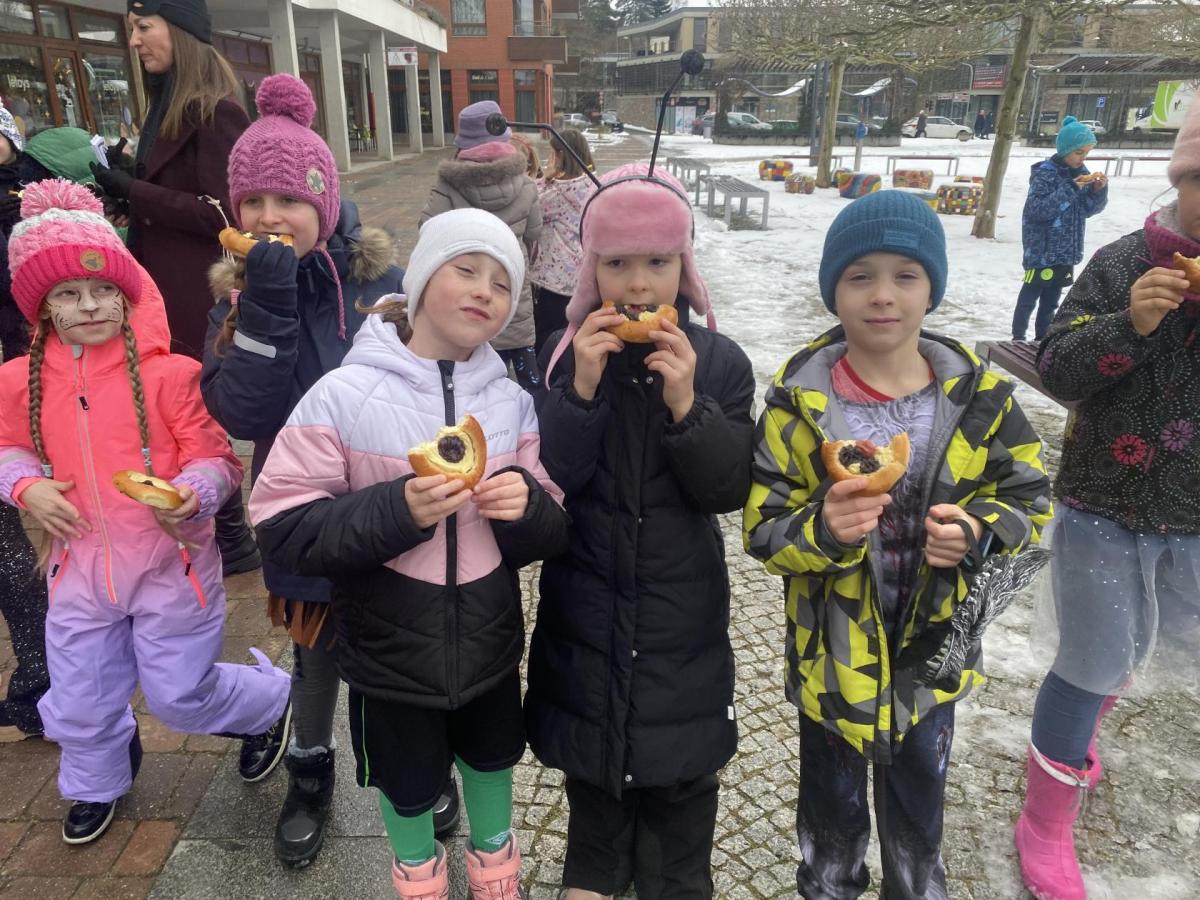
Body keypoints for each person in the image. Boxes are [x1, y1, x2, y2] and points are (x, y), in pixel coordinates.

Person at [249, 208, 570, 898]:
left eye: (502, 284)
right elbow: (280, 523)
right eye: (466, 270)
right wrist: (396, 511)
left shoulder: (511, 403)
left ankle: (496, 872)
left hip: (487, 643)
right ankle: (418, 878)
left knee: (491, 760)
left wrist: (528, 507)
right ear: (421, 280)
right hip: (386, 650)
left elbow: (551, 525)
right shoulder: (343, 394)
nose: (485, 290)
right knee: (405, 780)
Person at [743, 190, 1052, 899]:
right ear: (833, 292)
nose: (883, 295)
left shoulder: (982, 402)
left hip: (933, 657)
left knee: (918, 821)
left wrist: (977, 531)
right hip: (833, 661)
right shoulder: (798, 408)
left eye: (906, 276)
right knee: (831, 821)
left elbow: (1031, 501)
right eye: (860, 276)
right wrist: (824, 531)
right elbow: (763, 529)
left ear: (931, 289)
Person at [197, 73, 460, 868]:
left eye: (289, 199)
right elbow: (243, 410)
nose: (269, 217)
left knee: (401, 648)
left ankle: (423, 766)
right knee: (317, 655)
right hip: (301, 511)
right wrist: (268, 305)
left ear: (324, 199)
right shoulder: (235, 301)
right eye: (253, 202)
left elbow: (434, 376)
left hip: (387, 504)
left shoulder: (382, 286)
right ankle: (309, 775)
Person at [0, 179, 291, 844]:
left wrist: (194, 492)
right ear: (39, 306)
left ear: (127, 293)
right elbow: (7, 446)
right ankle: (96, 779)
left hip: (170, 567)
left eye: (103, 288)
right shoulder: (20, 381)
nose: (90, 305)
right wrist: (24, 486)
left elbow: (217, 457)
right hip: (77, 571)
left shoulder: (171, 376)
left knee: (179, 695)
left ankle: (266, 706)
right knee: (80, 696)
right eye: (67, 294)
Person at [526, 163, 756, 899]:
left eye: (657, 262)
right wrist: (581, 389)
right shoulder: (563, 355)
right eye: (617, 264)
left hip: (678, 620)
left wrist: (687, 402)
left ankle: (675, 877)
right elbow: (556, 476)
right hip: (586, 612)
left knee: (681, 786)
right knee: (593, 778)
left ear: (684, 266)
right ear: (591, 271)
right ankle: (594, 872)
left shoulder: (719, 362)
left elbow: (726, 489)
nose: (636, 284)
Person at [1015, 96, 1200, 900]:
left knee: (1134, 653)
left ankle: (1079, 740)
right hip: (1104, 507)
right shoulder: (1126, 262)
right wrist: (1130, 325)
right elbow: (1054, 365)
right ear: (1181, 177)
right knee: (1088, 664)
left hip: (1194, 520)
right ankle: (1045, 818)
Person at [90, 0, 259, 575]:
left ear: (181, 31)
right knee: (173, 408)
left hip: (191, 292)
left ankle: (233, 539)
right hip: (156, 287)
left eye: (144, 26)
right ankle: (220, 531)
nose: (135, 40)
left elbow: (224, 215)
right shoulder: (164, 107)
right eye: (131, 29)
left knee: (194, 407)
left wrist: (135, 191)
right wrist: (127, 193)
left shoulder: (217, 112)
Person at [421, 100, 544, 398]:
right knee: (531, 384)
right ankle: (536, 422)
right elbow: (534, 234)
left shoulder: (448, 185)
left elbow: (428, 232)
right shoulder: (526, 184)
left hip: (468, 299)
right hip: (512, 294)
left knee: (474, 386)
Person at [1011, 116, 1108, 341]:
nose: (1082, 158)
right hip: (1042, 252)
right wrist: (1071, 188)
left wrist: (1098, 191)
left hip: (1065, 252)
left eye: (1086, 153)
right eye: (1078, 152)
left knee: (1051, 302)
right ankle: (1017, 337)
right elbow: (1038, 210)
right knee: (1029, 298)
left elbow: (1088, 210)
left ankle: (1042, 339)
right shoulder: (1046, 174)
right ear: (1065, 150)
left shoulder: (1081, 173)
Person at [529, 128, 595, 355]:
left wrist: (545, 177)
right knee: (575, 337)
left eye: (552, 153)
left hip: (554, 281)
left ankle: (548, 373)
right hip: (585, 277)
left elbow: (529, 202)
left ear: (559, 155)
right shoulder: (594, 185)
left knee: (547, 340)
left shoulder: (555, 191)